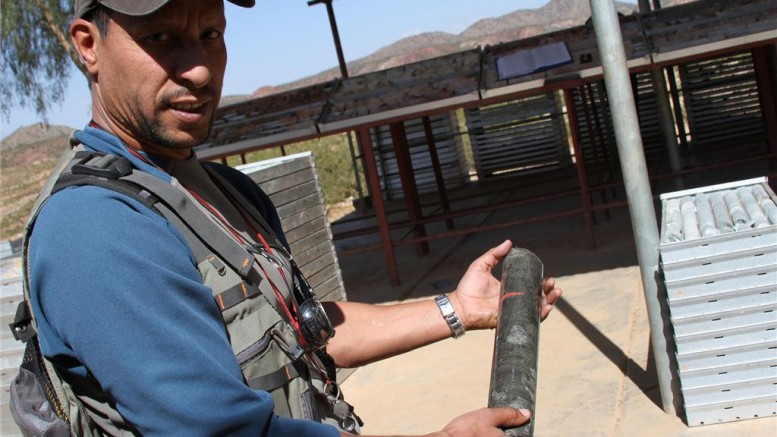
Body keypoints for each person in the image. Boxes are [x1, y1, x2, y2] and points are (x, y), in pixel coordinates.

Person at [15, 0, 562, 436]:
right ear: (88, 45)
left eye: (211, 33)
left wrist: (458, 310)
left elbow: (302, 331)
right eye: (161, 38)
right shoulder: (96, 227)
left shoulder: (225, 189)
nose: (200, 68)